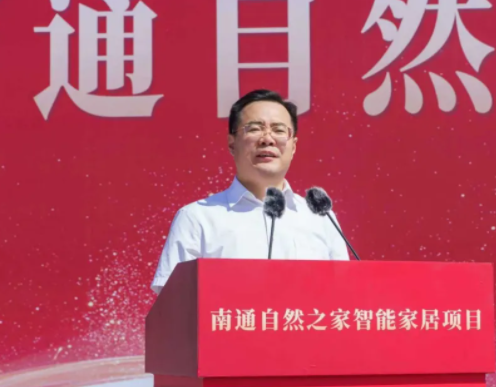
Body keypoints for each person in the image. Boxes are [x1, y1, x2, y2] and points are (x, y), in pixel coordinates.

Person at [150, 89, 350, 294]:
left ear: (294, 146)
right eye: (254, 129)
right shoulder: (197, 218)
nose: (267, 139)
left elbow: (344, 295)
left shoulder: (320, 217)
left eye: (279, 130)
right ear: (232, 143)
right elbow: (173, 303)